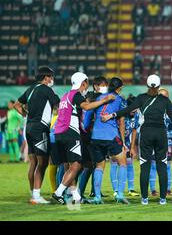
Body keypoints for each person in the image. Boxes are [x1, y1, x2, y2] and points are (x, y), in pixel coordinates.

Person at [102, 75, 172, 205]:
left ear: (147, 85)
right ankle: (163, 199)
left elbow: (127, 110)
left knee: (145, 166)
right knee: (162, 166)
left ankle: (144, 199)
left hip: (146, 134)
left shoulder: (141, 98)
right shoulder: (165, 100)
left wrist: (112, 115)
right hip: (161, 134)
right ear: (159, 86)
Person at [51, 72, 115, 205]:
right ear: (83, 83)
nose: (86, 86)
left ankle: (76, 196)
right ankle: (58, 192)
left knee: (70, 166)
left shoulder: (65, 96)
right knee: (76, 165)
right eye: (86, 83)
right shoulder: (76, 95)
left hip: (59, 132)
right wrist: (104, 100)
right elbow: (86, 106)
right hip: (70, 133)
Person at [14, 66, 60, 204]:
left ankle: (32, 192)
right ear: (46, 77)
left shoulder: (30, 89)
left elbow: (17, 104)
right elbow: (58, 105)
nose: (52, 79)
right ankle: (36, 196)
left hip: (29, 127)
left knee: (33, 162)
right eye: (51, 77)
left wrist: (25, 114)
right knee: (43, 163)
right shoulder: (47, 89)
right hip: (40, 129)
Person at [82, 77, 131, 205]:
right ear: (119, 88)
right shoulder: (120, 99)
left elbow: (87, 118)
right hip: (111, 136)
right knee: (123, 163)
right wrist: (123, 140)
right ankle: (119, 195)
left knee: (99, 166)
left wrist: (88, 130)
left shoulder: (98, 98)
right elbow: (121, 121)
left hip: (96, 137)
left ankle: (97, 197)